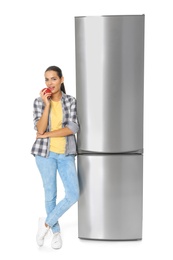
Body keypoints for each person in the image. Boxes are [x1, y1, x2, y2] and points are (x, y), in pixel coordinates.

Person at [31, 66, 80, 249]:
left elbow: (73, 128)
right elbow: (40, 129)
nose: (49, 83)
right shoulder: (39, 102)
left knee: (73, 194)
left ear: (61, 79)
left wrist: (47, 135)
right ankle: (56, 232)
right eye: (46, 79)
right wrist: (47, 105)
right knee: (50, 195)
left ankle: (46, 223)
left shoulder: (70, 101)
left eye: (53, 79)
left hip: (66, 154)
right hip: (45, 155)